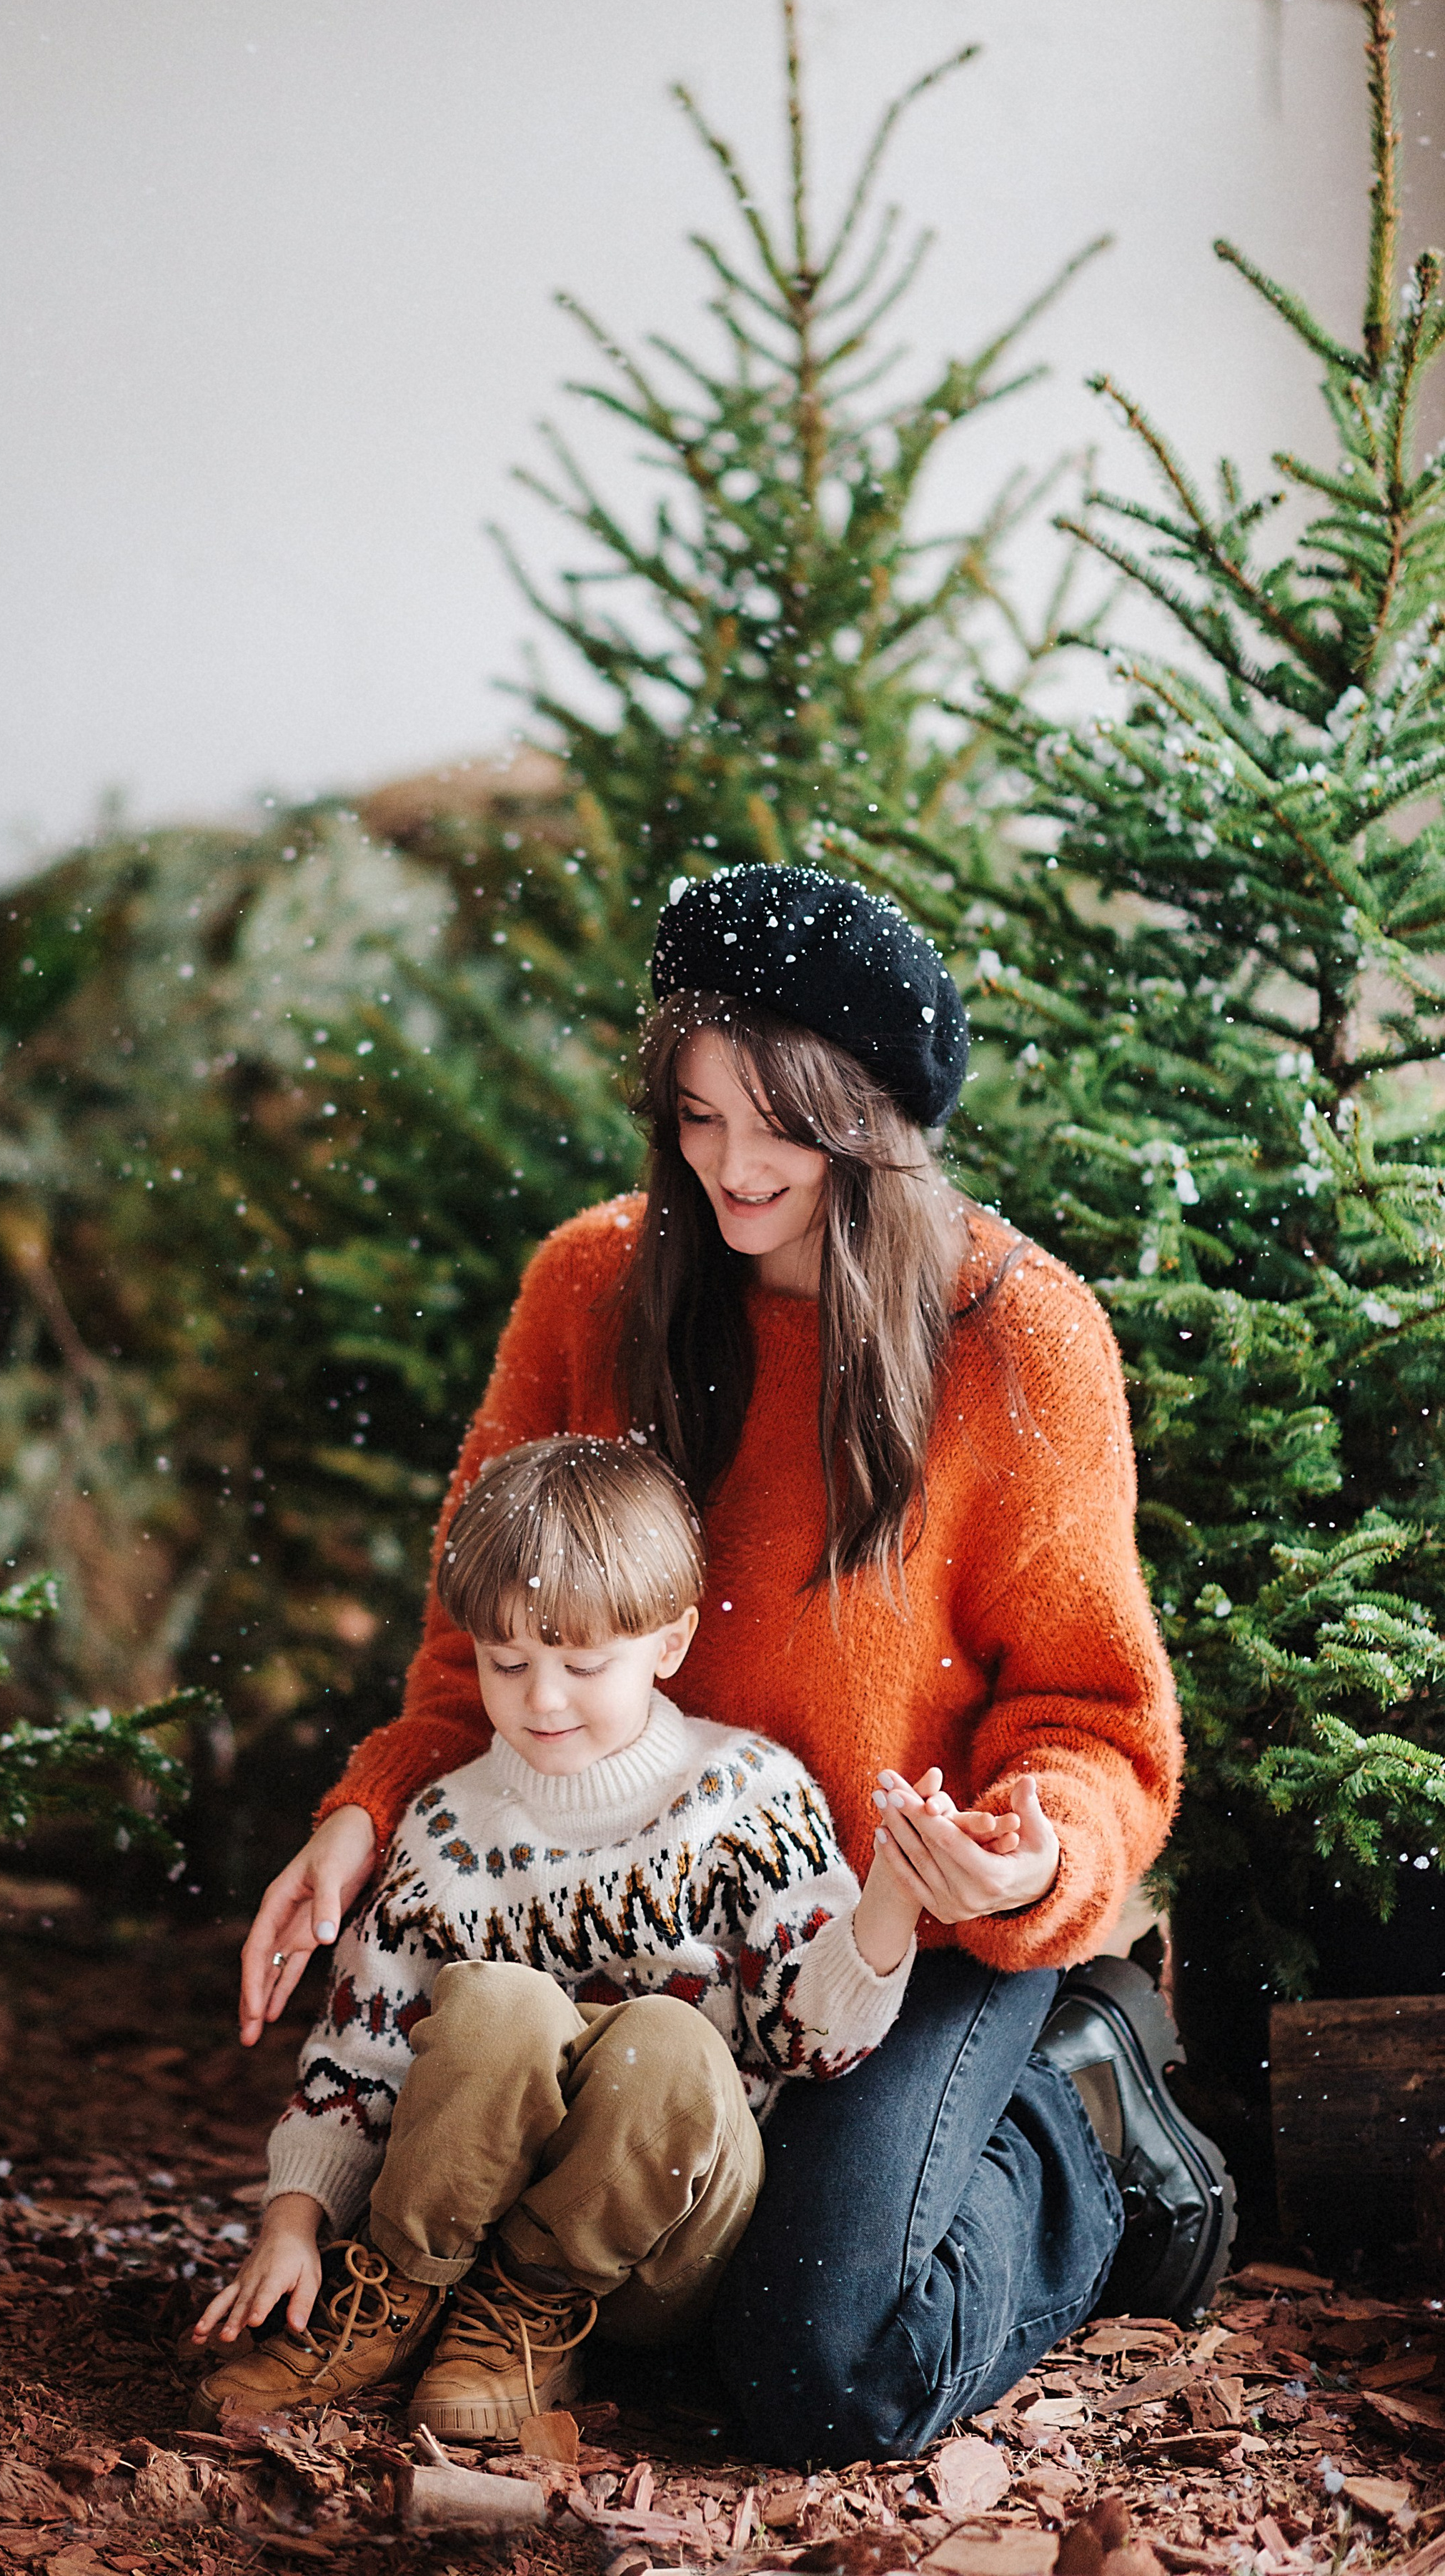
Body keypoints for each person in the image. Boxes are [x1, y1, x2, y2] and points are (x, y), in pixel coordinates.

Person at [236, 863, 1233, 2465]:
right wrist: (365, 1811)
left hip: (905, 1923)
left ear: (880, 1120)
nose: (731, 1167)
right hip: (639, 1904)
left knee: (817, 2371)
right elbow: (484, 1632)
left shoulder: (1017, 1337)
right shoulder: (593, 1286)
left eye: (782, 1126)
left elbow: (1094, 1716)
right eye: (695, 1117)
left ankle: (1084, 2137)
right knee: (648, 2298)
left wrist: (1029, 1851)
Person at [190, 1432, 1000, 2436]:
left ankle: (531, 2315)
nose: (541, 1697)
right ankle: (395, 2292)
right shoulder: (446, 1829)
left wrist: (887, 1897)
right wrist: (292, 2221)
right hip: (452, 2217)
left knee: (665, 2040)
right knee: (496, 2003)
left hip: (659, 2244)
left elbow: (809, 2040)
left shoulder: (744, 1798)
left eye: (582, 1662)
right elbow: (360, 2057)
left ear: (669, 1642)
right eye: (508, 1659)